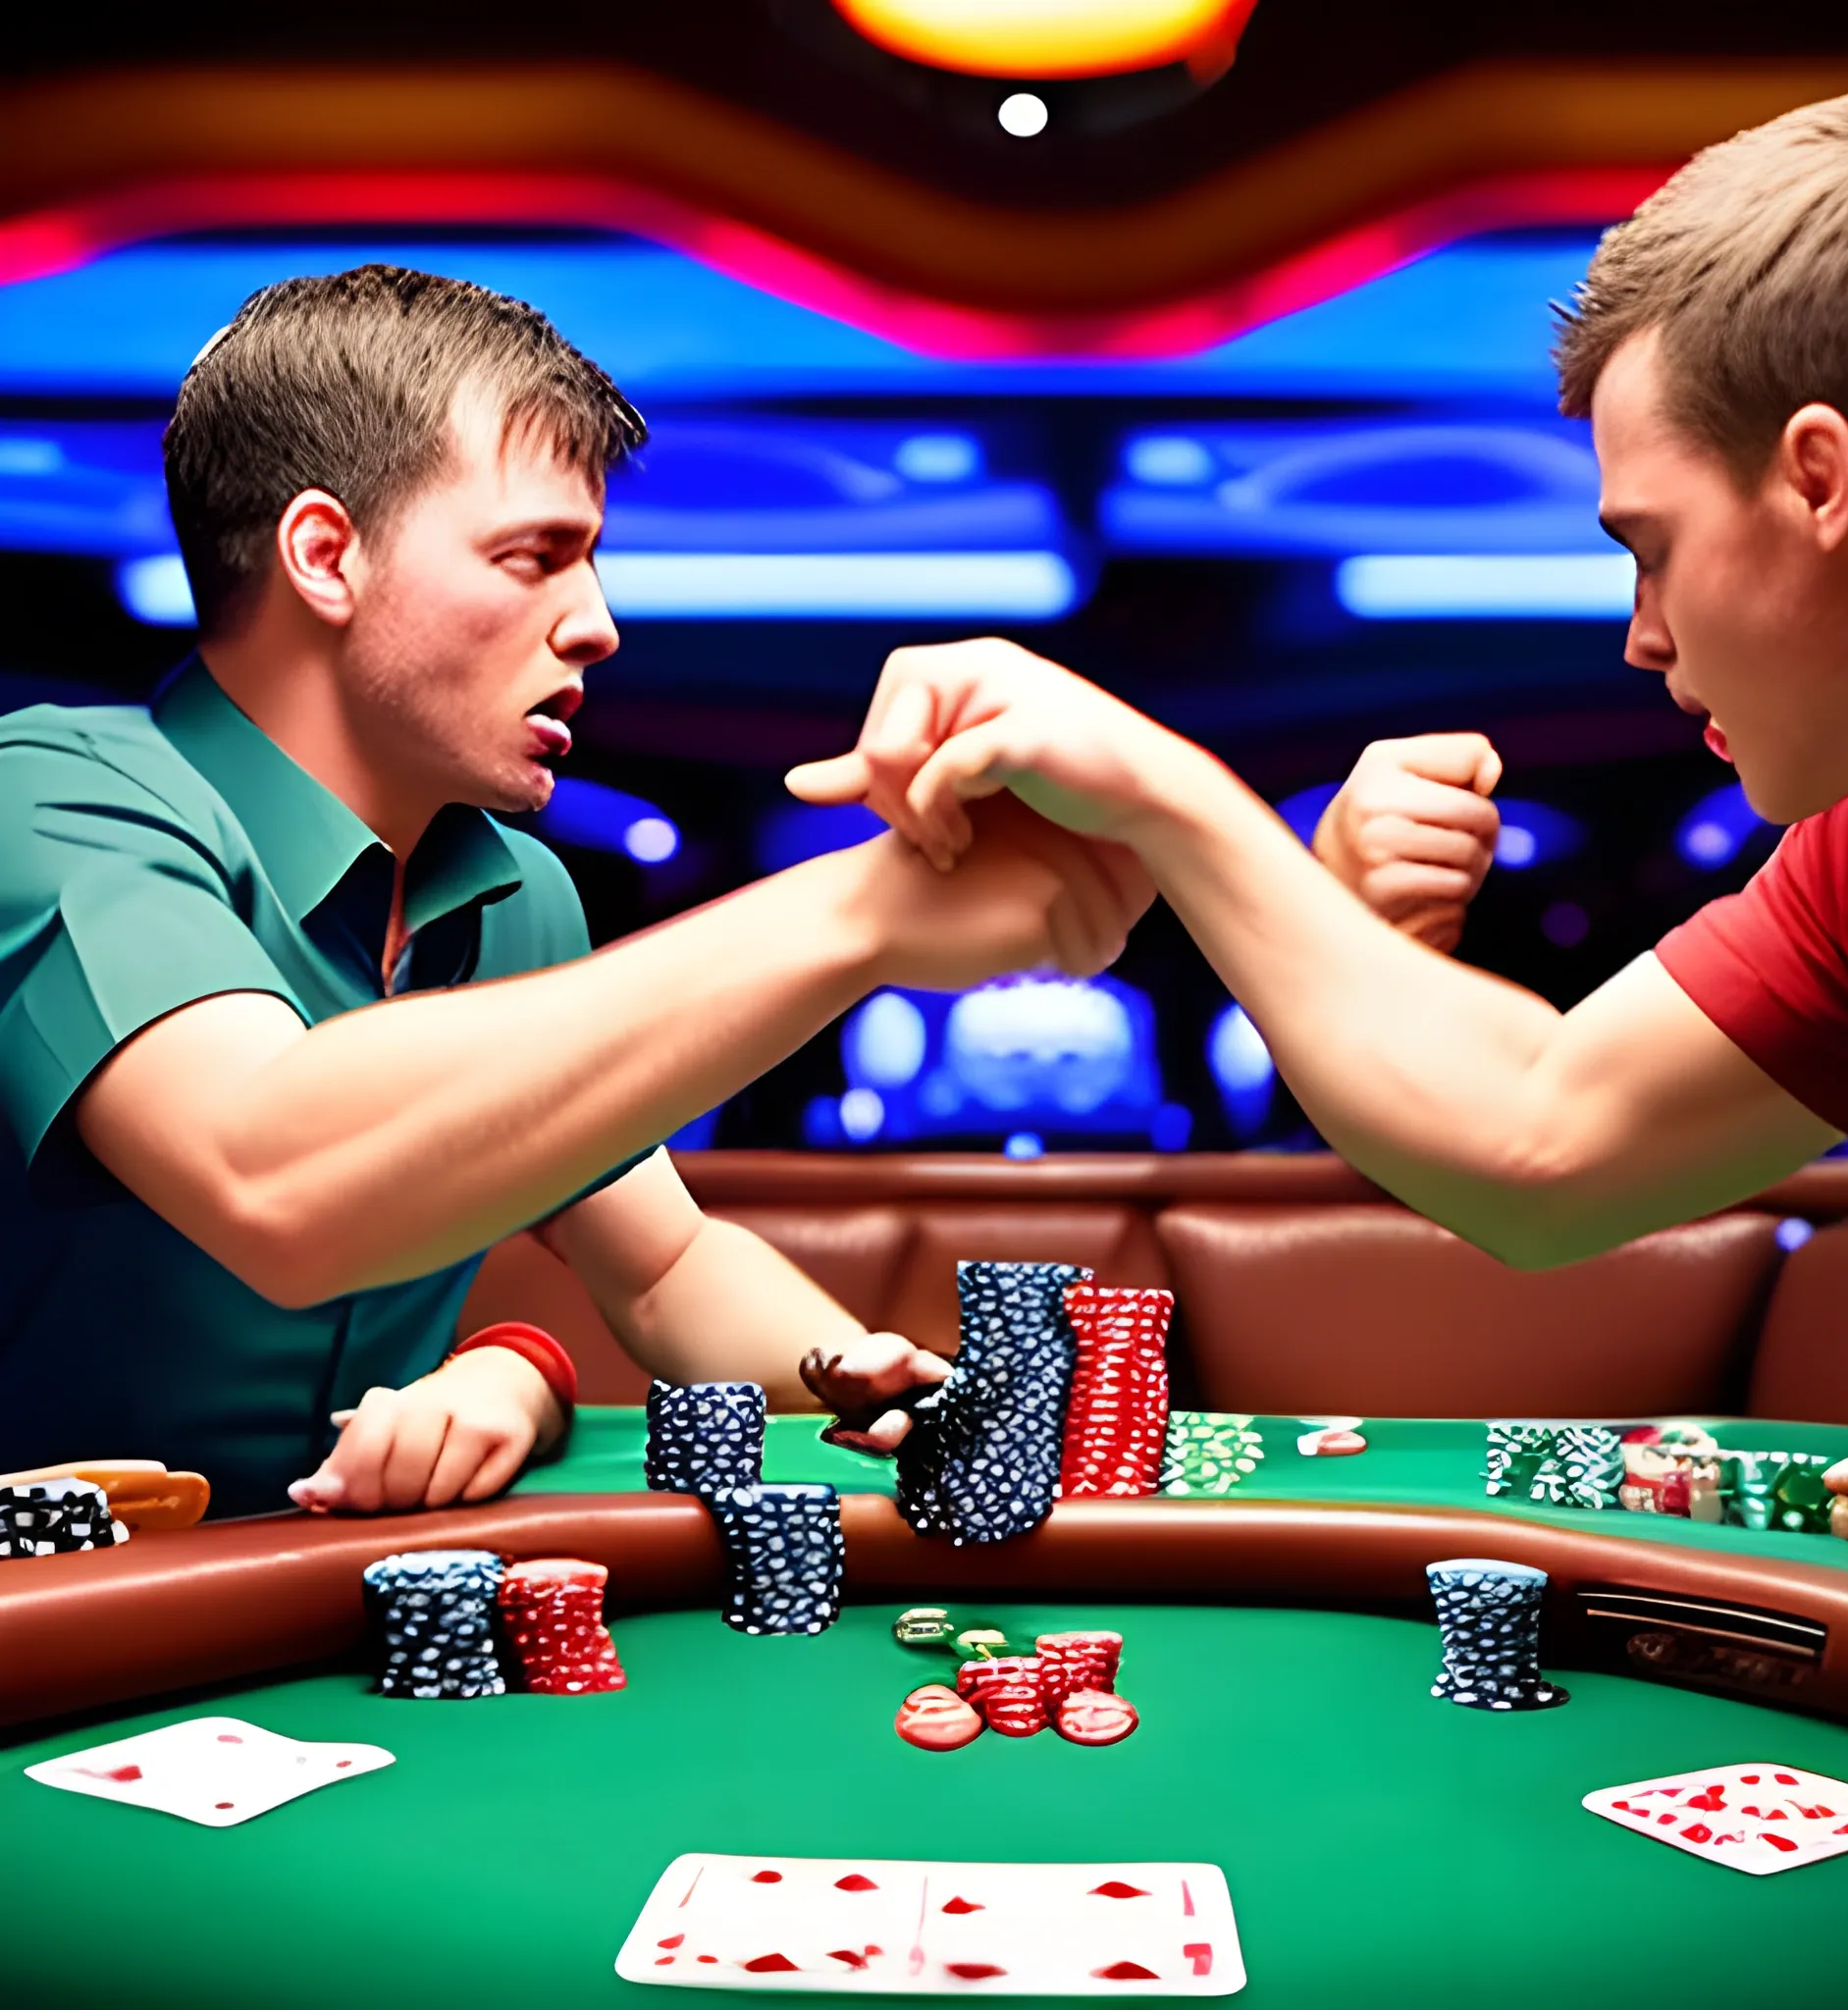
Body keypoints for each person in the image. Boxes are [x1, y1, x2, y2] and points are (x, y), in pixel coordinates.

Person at [784, 90, 1848, 1593]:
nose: (1641, 635)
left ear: (1817, 480)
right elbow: (1536, 1140)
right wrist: (1186, 812)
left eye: (1651, 544)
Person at [0, 266, 1149, 1518]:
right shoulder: (51, 799)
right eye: (533, 557)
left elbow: (663, 1265)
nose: (596, 622)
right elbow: (270, 1177)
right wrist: (859, 913)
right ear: (326, 557)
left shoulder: (515, 893)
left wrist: (859, 1373)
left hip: (336, 1615)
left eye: (589, 561)